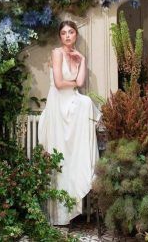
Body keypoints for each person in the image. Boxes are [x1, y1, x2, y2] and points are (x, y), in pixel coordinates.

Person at [38, 20, 101, 226]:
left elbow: (81, 82)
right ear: (60, 36)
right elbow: (58, 83)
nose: (67, 36)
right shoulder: (57, 53)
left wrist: (82, 59)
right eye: (63, 33)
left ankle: (81, 173)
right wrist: (73, 83)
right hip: (59, 103)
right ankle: (58, 214)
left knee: (86, 102)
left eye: (71, 32)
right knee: (61, 153)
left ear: (75, 35)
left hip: (72, 101)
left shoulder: (77, 56)